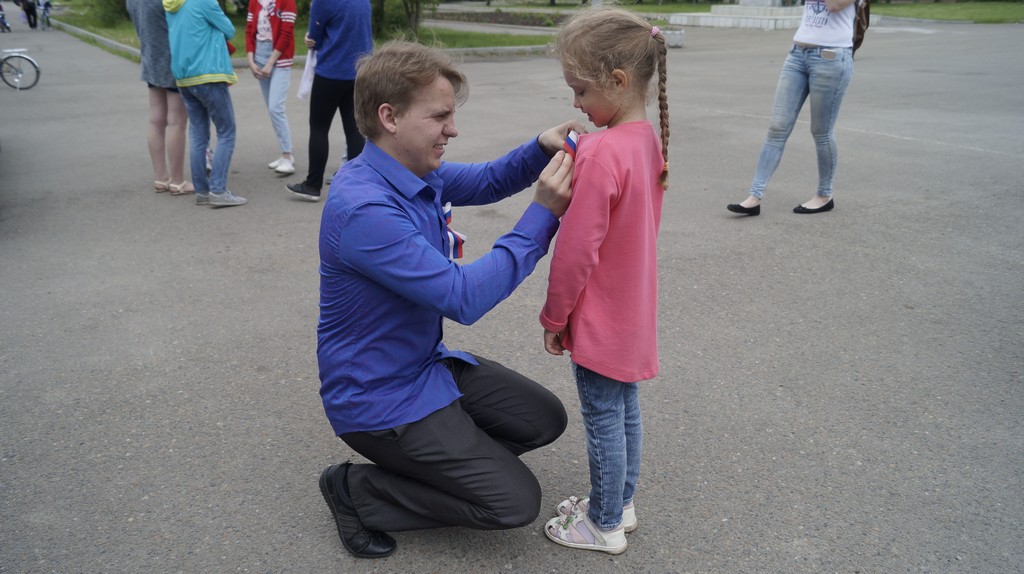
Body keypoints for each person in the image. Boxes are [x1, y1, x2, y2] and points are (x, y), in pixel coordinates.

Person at [315, 41, 581, 559]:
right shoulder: (365, 208)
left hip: (423, 367)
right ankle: (358, 491)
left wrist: (541, 147)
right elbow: (463, 298)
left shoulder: (408, 172)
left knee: (542, 419)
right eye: (439, 117)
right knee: (514, 504)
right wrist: (543, 212)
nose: (452, 130)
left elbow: (486, 179)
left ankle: (444, 463)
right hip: (379, 398)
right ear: (389, 117)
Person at [538, 6, 669, 555]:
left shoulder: (603, 155)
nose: (575, 104)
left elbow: (574, 250)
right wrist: (570, 145)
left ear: (617, 81)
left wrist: (554, 316)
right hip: (632, 313)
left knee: (601, 419)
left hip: (597, 315)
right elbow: (604, 152)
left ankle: (604, 523)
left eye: (581, 91)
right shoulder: (642, 140)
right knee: (625, 408)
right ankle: (622, 503)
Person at [727, 0, 856, 216]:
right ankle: (754, 197)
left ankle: (824, 195)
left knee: (821, 132)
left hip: (831, 58)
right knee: (777, 127)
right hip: (798, 54)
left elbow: (834, 5)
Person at [285, 0, 371, 202]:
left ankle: (313, 185)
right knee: (355, 130)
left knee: (319, 128)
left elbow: (315, 36)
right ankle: (358, 186)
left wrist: (309, 38)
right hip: (359, 71)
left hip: (331, 71)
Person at [164, 0, 247, 207]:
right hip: (208, 74)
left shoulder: (171, 4)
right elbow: (228, 29)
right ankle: (218, 190)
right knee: (227, 131)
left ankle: (202, 190)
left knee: (198, 134)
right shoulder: (203, 1)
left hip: (184, 77)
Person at [126, 0, 193, 196]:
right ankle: (178, 181)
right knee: (176, 123)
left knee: (155, 120)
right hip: (174, 60)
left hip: (150, 59)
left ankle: (161, 178)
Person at [245, 0, 297, 175]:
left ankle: (288, 157)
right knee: (271, 109)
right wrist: (251, 60)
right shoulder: (254, 1)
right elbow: (249, 29)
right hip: (259, 55)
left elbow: (286, 33)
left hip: (279, 58)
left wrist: (270, 63)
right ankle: (285, 153)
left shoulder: (287, 1)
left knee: (276, 108)